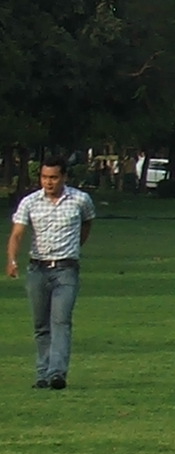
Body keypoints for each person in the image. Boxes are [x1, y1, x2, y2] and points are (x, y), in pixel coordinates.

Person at [7, 160, 98, 390]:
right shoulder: (30, 202)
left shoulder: (80, 200)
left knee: (61, 320)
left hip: (66, 269)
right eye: (45, 177)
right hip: (37, 269)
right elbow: (17, 233)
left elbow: (87, 224)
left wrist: (75, 247)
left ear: (64, 177)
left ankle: (57, 373)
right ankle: (43, 373)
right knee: (41, 324)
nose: (49, 182)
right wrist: (12, 259)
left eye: (54, 177)